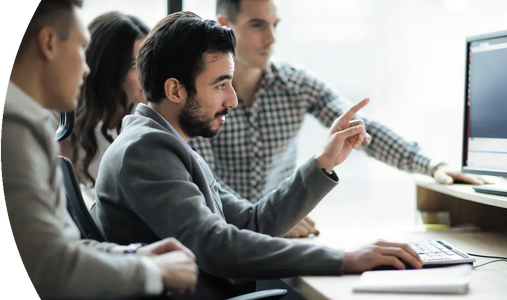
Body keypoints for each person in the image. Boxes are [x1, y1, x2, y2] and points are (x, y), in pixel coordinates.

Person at [91, 11, 423, 299]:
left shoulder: (166, 143)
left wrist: (324, 162)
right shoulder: (144, 151)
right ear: (175, 90)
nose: (233, 100)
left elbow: (253, 222)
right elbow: (215, 247)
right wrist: (344, 259)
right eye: (220, 85)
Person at [188, 0, 491, 238]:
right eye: (257, 25)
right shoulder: (201, 98)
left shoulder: (295, 85)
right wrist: (272, 219)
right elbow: (207, 188)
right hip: (227, 240)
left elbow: (358, 128)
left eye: (275, 25)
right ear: (224, 25)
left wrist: (431, 164)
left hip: (279, 236)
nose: (271, 38)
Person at [2, 1, 197, 298]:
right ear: (48, 43)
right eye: (81, 48)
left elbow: (63, 247)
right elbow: (51, 268)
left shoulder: (30, 124)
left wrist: (134, 256)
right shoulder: (13, 127)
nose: (86, 68)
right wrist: (152, 272)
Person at [58, 11, 150, 209]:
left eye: (149, 60)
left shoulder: (150, 118)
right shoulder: (69, 128)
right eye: (135, 65)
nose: (148, 73)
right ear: (109, 70)